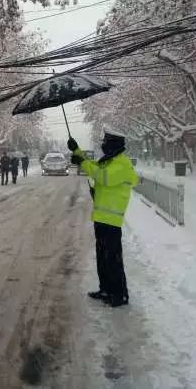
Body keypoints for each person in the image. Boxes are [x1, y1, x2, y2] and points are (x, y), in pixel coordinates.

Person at [68, 129, 138, 308]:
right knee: (102, 257)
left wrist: (82, 162)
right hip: (101, 217)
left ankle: (119, 294)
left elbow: (102, 177)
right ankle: (105, 289)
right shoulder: (108, 162)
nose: (103, 145)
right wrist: (77, 151)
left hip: (112, 220)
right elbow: (95, 168)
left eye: (106, 142)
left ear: (115, 144)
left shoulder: (121, 164)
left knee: (113, 259)